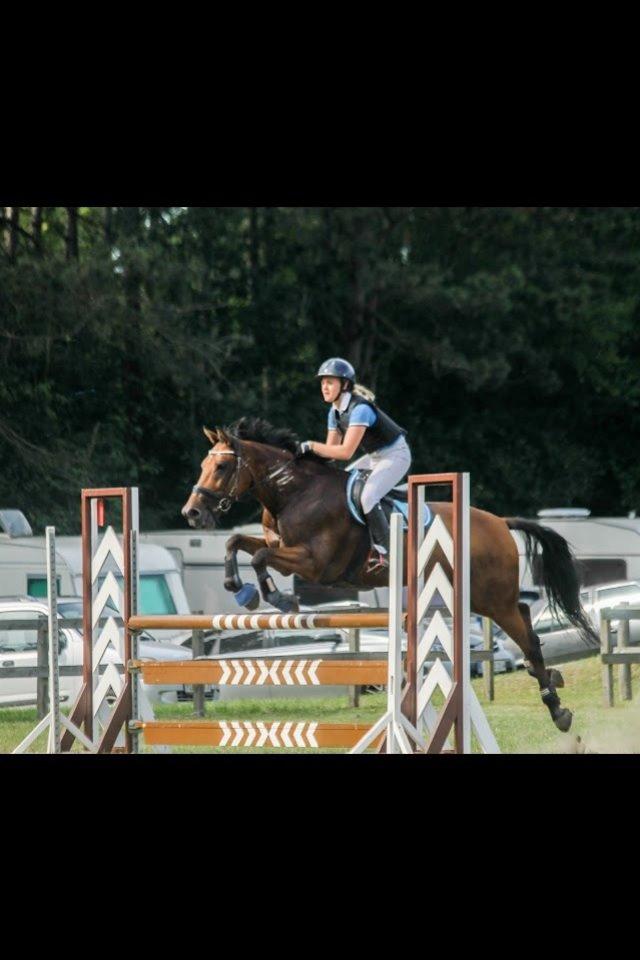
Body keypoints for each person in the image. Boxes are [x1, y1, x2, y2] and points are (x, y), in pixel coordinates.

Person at [297, 357, 411, 571]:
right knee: (341, 487)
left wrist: (311, 445)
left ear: (345, 385)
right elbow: (329, 454)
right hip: (375, 456)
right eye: (322, 382)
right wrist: (303, 459)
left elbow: (345, 452)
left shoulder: (360, 409)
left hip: (396, 455)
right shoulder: (334, 412)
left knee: (368, 496)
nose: (324, 387)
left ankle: (387, 553)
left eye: (330, 382)